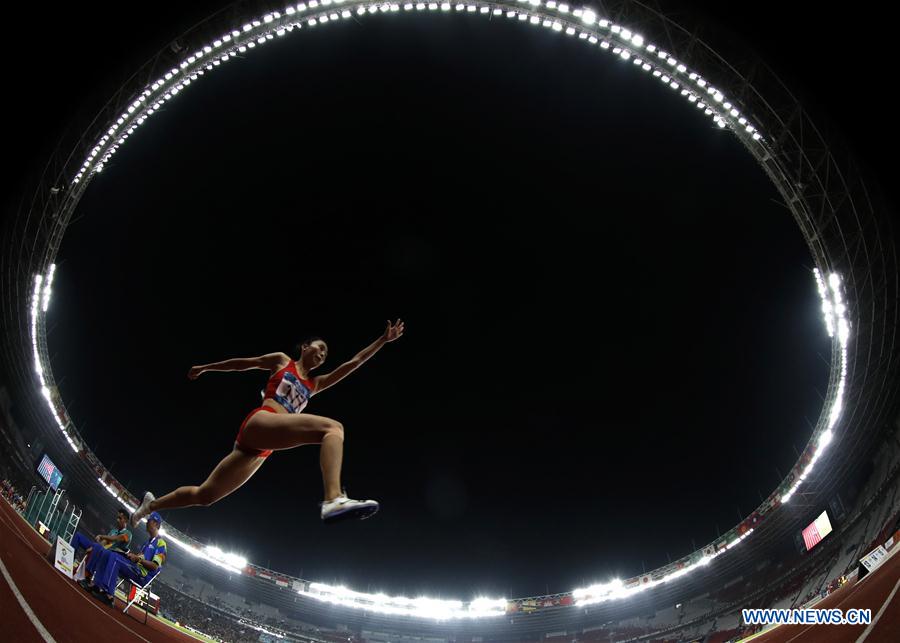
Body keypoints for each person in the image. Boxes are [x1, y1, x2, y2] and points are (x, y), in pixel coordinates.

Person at [132, 320, 404, 525]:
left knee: (206, 495)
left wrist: (383, 340)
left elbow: (354, 362)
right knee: (334, 428)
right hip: (261, 422)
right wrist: (206, 367)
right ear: (304, 347)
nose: (322, 355)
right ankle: (333, 498)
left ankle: (151, 505)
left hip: (261, 448)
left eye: (326, 354)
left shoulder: (315, 383)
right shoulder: (282, 361)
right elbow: (243, 364)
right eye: (319, 348)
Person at [82, 511, 167, 607]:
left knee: (115, 558)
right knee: (109, 553)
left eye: (149, 521)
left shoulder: (161, 544)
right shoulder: (147, 543)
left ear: (156, 524)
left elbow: (155, 566)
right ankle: (97, 585)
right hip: (135, 568)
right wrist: (131, 555)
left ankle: (109, 596)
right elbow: (139, 557)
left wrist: (138, 559)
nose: (147, 522)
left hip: (142, 575)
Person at [64, 508, 131, 570]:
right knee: (78, 536)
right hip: (99, 549)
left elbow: (115, 538)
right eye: (117, 518)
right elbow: (104, 542)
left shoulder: (128, 534)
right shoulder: (113, 531)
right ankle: (68, 562)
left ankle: (87, 575)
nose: (117, 520)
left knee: (97, 547)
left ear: (126, 520)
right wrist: (93, 547)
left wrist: (101, 536)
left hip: (109, 555)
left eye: (120, 518)